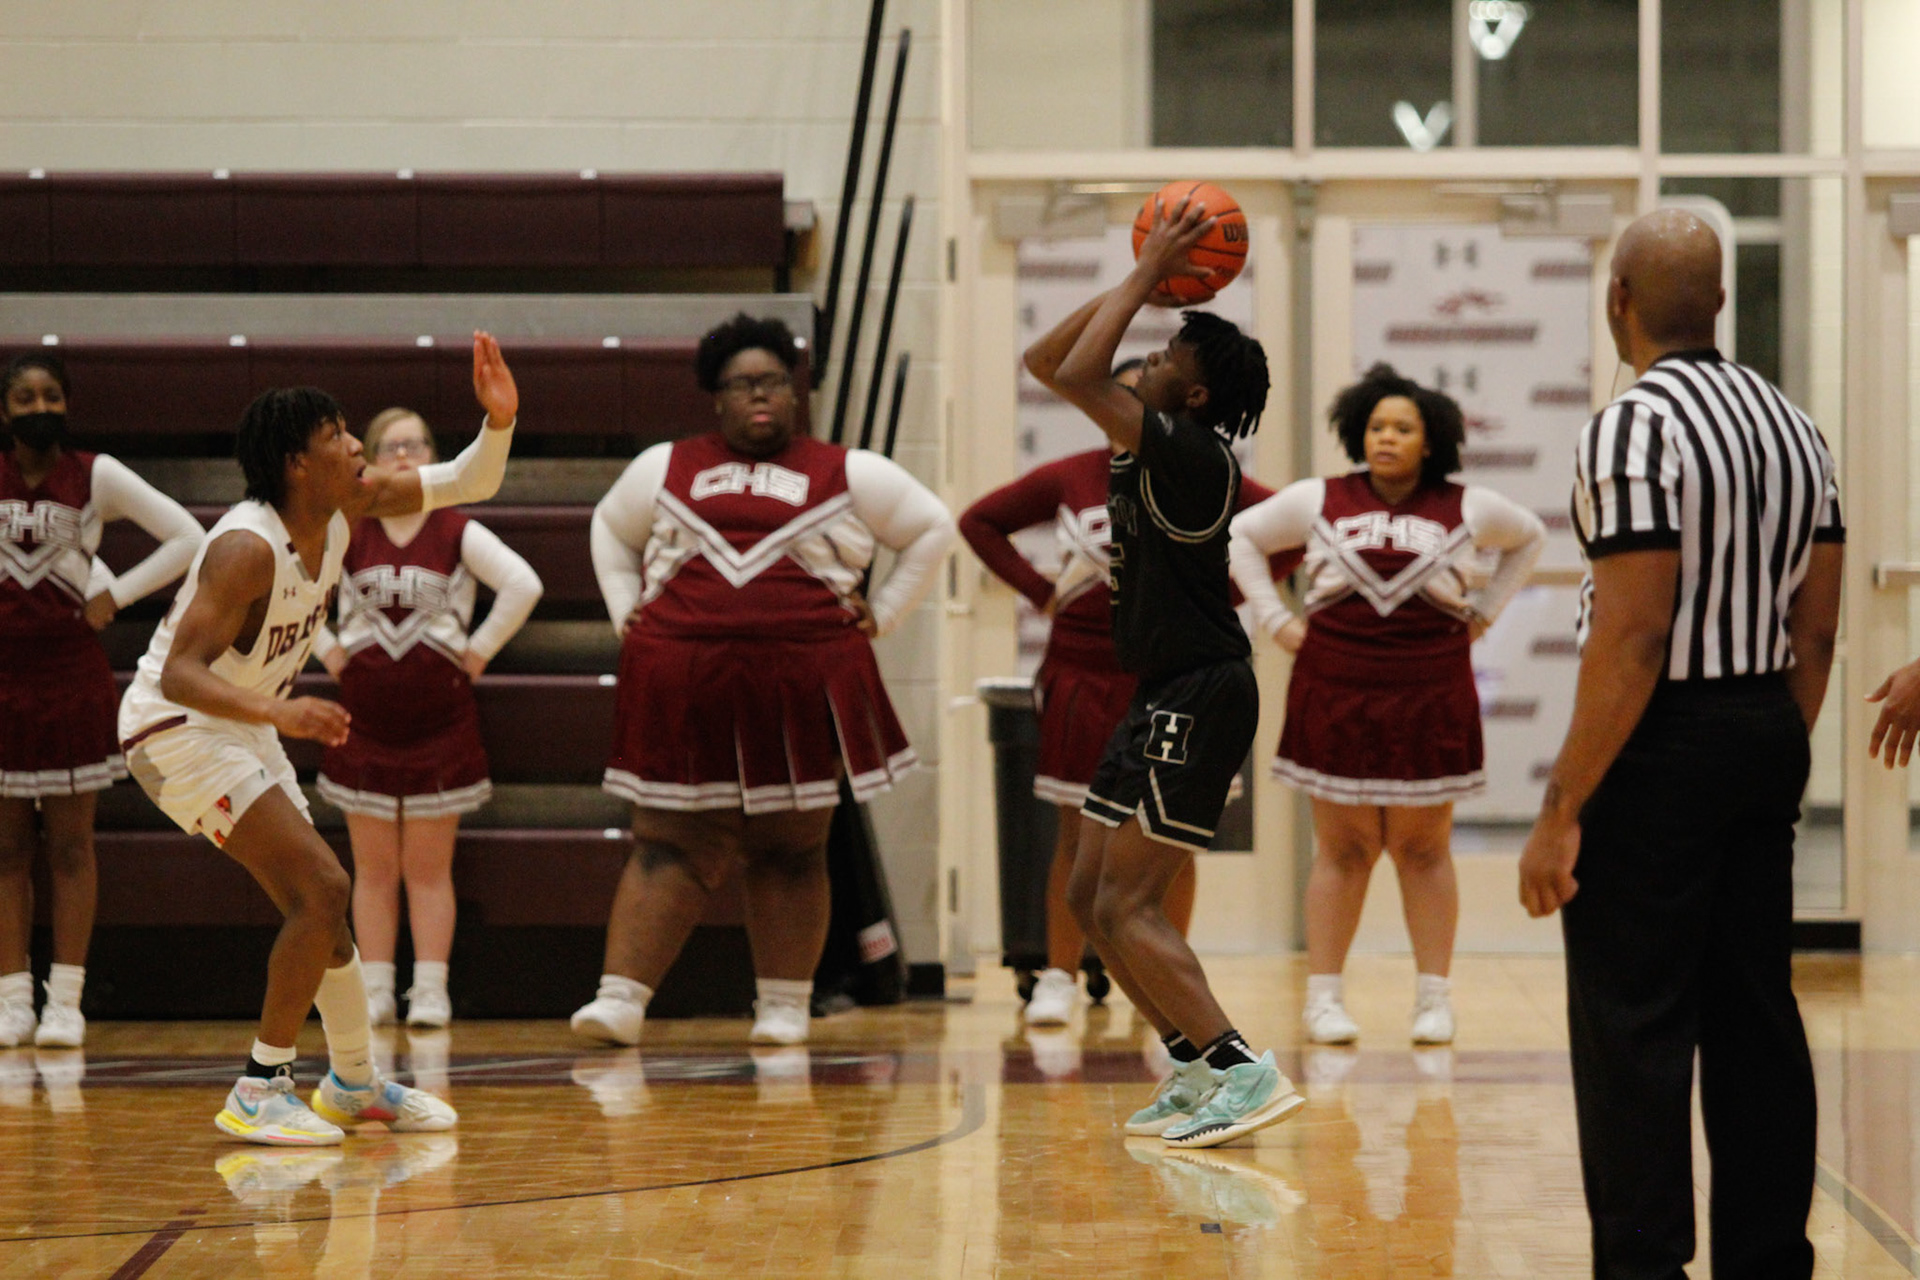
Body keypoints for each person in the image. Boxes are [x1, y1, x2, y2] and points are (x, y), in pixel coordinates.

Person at [1517, 209, 1844, 1279]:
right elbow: (1817, 631)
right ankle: (1769, 1260)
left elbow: (1636, 634)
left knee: (1634, 1026)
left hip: (1659, 742)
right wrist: (1766, 743)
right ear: (1721, 303)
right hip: (1766, 725)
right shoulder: (1797, 427)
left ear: (1617, 299)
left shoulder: (1630, 428)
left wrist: (1562, 806)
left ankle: (1646, 1267)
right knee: (1757, 1016)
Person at [117, 331, 520, 1146]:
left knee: (323, 913)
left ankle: (355, 1086)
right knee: (326, 887)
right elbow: (179, 676)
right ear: (297, 464)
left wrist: (500, 420)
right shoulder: (245, 548)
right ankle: (260, 1086)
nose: (357, 445)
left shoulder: (345, 509)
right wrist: (282, 714)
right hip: (175, 730)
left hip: (238, 723)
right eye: (337, 435)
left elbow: (467, 480)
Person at [570, 313, 954, 1049]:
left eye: (773, 381)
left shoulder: (851, 470)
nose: (759, 395)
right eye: (742, 383)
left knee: (793, 843)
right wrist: (626, 610)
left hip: (802, 685)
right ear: (715, 396)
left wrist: (885, 613)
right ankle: (620, 1000)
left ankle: (783, 1006)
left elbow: (932, 527)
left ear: (796, 391)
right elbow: (611, 529)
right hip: (684, 684)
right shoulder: (663, 465)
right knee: (668, 839)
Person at [1024, 193, 1304, 1150]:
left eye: (1164, 357)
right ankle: (1189, 1064)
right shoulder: (1150, 435)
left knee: (1129, 901)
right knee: (1087, 896)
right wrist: (1143, 283)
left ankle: (1241, 1068)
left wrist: (1149, 272)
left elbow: (1072, 371)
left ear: (1192, 398)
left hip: (1202, 689)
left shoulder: (1190, 454)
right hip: (1160, 690)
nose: (1143, 359)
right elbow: (1046, 364)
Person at [1227, 364, 1545, 1046]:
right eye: (1376, 427)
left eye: (1403, 428)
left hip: (1431, 693)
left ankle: (1434, 999)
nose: (1387, 438)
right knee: (1343, 849)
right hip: (1335, 690)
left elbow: (1531, 539)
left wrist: (1485, 613)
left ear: (1431, 441)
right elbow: (1242, 537)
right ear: (1358, 433)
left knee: (1422, 849)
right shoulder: (1319, 497)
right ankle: (1323, 1000)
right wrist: (1276, 621)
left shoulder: (1469, 506)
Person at [959, 359, 1277, 1028]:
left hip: (1175, 675)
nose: (1129, 406)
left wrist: (1223, 597)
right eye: (1120, 394)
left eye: (1143, 396)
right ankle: (1058, 974)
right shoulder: (1071, 474)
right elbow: (979, 521)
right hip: (1082, 672)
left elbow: (1285, 528)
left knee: (1172, 837)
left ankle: (1166, 981)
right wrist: (1041, 592)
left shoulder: (1203, 471)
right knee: (1077, 830)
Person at [313, 408, 544, 1029]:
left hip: (441, 722)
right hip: (362, 721)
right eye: (390, 446)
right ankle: (376, 989)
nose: (403, 456)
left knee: (428, 869)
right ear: (369, 459)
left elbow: (523, 584)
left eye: (416, 444)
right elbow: (296, 585)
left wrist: (480, 649)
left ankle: (432, 989)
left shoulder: (457, 528)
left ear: (436, 457)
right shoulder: (347, 527)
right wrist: (327, 648)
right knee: (373, 870)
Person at [0, 350, 204, 1049]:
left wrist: (116, 592)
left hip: (69, 676)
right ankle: (12, 1000)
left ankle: (65, 1000)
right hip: (3, 679)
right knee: (5, 850)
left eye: (51, 396)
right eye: (25, 399)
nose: (39, 409)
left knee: (69, 845)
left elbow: (189, 537)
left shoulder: (97, 474)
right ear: (4, 411)